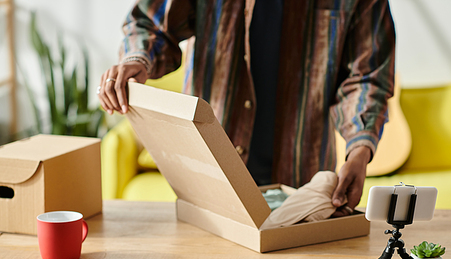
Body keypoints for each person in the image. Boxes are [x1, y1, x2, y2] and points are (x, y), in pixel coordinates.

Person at [97, 0, 396, 217]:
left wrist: (359, 151)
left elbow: (368, 77)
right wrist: (138, 59)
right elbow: (152, 22)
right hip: (208, 178)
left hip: (302, 181)